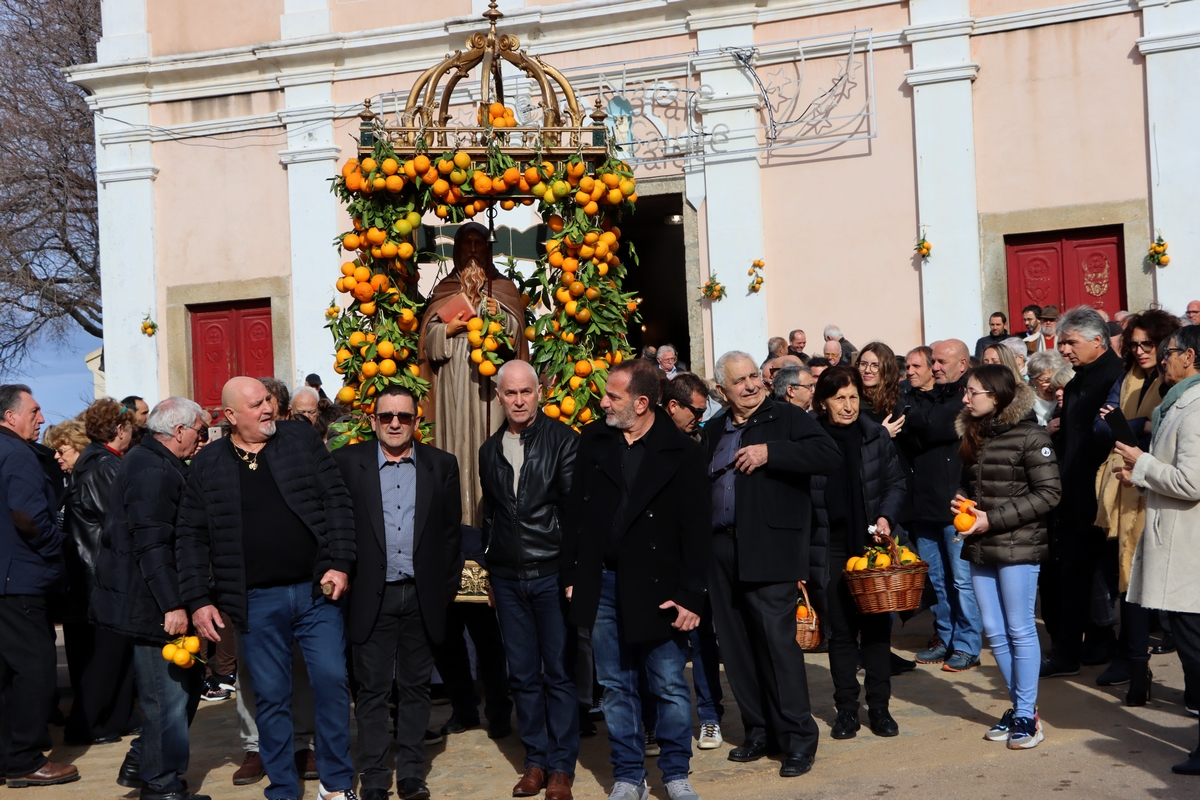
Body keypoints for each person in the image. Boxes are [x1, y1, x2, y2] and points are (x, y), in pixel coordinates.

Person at [177, 376, 357, 800]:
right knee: (271, 697)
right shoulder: (209, 464)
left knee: (332, 682)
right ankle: (282, 790)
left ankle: (336, 786)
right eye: (256, 404)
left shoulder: (299, 439)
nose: (268, 409)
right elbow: (190, 536)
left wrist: (342, 564)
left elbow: (336, 499)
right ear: (230, 417)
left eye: (268, 401)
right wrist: (199, 601)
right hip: (255, 601)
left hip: (316, 592)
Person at [561, 359, 710, 800]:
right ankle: (628, 776)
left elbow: (696, 531)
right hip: (603, 583)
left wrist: (691, 596)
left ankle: (676, 774)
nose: (603, 401)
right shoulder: (595, 438)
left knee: (667, 683)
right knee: (614, 684)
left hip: (661, 588)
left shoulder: (682, 452)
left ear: (642, 403)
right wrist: (573, 574)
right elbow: (576, 512)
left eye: (614, 396)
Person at [702, 351, 840, 779]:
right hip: (721, 551)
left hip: (770, 549)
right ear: (721, 390)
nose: (749, 385)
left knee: (778, 647)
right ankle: (759, 730)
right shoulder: (712, 429)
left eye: (752, 377)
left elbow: (828, 455)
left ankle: (799, 738)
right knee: (738, 647)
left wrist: (771, 452)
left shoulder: (785, 418)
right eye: (738, 381)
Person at [333, 385, 462, 800]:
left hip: (422, 596)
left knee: (415, 688)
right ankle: (373, 777)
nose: (394, 423)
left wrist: (443, 589)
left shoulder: (441, 465)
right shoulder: (347, 463)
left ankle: (410, 773)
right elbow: (335, 528)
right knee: (370, 691)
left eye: (403, 417)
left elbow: (449, 535)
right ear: (372, 420)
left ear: (416, 422)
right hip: (372, 595)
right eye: (386, 416)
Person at [92, 397, 210, 800]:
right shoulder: (153, 469)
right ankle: (161, 786)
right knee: (168, 700)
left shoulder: (155, 462)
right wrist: (172, 605)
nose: (202, 439)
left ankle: (142, 761)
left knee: (185, 688)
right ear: (178, 431)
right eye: (200, 430)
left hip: (152, 600)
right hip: (153, 606)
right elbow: (153, 543)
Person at [478, 361, 580, 800]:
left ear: (539, 393)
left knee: (557, 672)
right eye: (510, 393)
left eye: (526, 392)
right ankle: (535, 761)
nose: (518, 400)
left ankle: (561, 767)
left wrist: (574, 572)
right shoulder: (489, 450)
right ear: (499, 396)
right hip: (506, 577)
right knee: (521, 674)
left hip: (552, 573)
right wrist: (488, 569)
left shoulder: (564, 441)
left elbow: (576, 515)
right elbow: (491, 515)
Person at [948, 365, 1060, 750]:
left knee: (1019, 628)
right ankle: (1020, 709)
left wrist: (990, 519)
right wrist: (963, 502)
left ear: (996, 396)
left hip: (1018, 545)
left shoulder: (1031, 434)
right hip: (981, 544)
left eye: (972, 391)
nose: (965, 398)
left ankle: (1028, 716)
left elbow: (1049, 494)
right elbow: (972, 481)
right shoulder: (975, 433)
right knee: (994, 632)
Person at [809, 367, 906, 740]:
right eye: (839, 398)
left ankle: (880, 708)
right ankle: (847, 710)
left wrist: (886, 515)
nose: (848, 406)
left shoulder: (875, 436)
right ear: (823, 401)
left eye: (853, 398)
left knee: (878, 630)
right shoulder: (811, 438)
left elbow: (896, 483)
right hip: (830, 546)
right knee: (843, 632)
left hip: (872, 545)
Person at [1120, 324, 1200, 775]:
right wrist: (1142, 475)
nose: (1161, 360)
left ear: (1189, 357)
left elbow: (1192, 482)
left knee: (1195, 649)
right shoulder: (1178, 403)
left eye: (1168, 352)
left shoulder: (1196, 407)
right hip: (1179, 543)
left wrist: (1142, 463)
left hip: (1190, 550)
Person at [1092, 309, 1180, 696]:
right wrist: (1134, 425)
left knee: (1153, 581)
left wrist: (1135, 425)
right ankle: (1132, 661)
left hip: (1158, 486)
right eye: (1135, 344)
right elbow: (1101, 424)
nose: (1141, 351)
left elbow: (1164, 429)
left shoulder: (1173, 381)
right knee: (1127, 576)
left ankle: (1155, 666)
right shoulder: (1129, 377)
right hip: (1123, 486)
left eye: (1149, 344)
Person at [417, 221, 528, 526]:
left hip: (490, 387)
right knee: (455, 443)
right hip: (453, 381)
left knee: (491, 442)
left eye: (480, 245)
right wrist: (446, 330)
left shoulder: (503, 289)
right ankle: (458, 518)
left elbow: (516, 340)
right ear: (457, 252)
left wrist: (501, 316)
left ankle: (493, 517)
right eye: (467, 245)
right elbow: (428, 340)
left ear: (489, 251)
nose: (474, 252)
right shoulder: (444, 289)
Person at [0, 385, 79, 788]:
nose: (42, 419)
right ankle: (25, 760)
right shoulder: (17, 454)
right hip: (20, 579)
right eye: (34, 411)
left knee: (9, 672)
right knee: (34, 670)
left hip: (8, 576)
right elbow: (27, 517)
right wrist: (54, 548)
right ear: (10, 416)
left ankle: (9, 756)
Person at [1039, 306, 1124, 677]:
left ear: (1098, 341)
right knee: (1075, 574)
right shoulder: (1075, 382)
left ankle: (1108, 642)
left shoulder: (1116, 377)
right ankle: (1069, 650)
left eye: (1070, 343)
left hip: (1107, 491)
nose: (1064, 350)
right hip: (1073, 492)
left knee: (1105, 575)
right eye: (1061, 343)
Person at [897, 340, 983, 672]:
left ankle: (967, 645)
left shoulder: (966, 397)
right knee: (935, 580)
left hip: (954, 507)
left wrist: (917, 421)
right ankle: (945, 638)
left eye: (941, 361)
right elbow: (916, 429)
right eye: (932, 361)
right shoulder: (923, 398)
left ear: (962, 364)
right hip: (923, 504)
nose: (934, 367)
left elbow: (934, 425)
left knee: (962, 581)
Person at [63, 398, 139, 746]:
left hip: (106, 574)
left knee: (117, 654)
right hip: (105, 575)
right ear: (119, 429)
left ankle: (114, 720)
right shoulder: (106, 466)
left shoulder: (100, 462)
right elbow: (121, 523)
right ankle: (87, 725)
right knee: (105, 659)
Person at [659, 372, 726, 749]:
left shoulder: (702, 441)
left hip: (695, 557)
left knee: (702, 640)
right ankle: (663, 722)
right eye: (695, 411)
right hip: (660, 558)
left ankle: (711, 715)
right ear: (673, 406)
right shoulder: (650, 442)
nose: (699, 418)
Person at [857, 342, 905, 438]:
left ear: (887, 369)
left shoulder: (897, 399)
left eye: (875, 365)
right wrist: (883, 433)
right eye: (863, 364)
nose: (867, 370)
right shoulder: (852, 399)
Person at [661, 373, 711, 437]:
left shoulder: (700, 437)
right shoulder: (649, 436)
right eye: (697, 412)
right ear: (673, 406)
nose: (700, 419)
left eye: (703, 412)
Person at [1027, 351, 1067, 427]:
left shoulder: (1065, 402)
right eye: (1047, 381)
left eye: (1056, 380)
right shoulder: (1026, 406)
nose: (1052, 386)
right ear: (1033, 380)